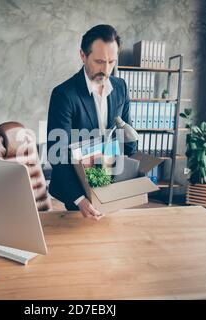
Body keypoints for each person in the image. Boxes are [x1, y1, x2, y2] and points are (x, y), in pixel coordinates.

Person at [47, 24, 136, 220]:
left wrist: (126, 177)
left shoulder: (121, 88)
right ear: (82, 56)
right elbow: (57, 152)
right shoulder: (64, 95)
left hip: (111, 186)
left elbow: (128, 140)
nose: (106, 70)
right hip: (76, 191)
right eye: (99, 61)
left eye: (111, 62)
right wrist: (79, 199)